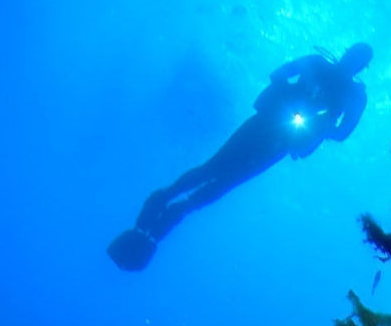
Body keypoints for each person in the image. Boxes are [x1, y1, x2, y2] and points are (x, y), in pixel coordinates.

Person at [108, 42, 373, 271]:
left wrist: (324, 127)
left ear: (363, 67)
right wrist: (292, 87)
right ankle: (160, 205)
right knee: (212, 169)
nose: (354, 61)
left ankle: (166, 222)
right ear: (347, 52)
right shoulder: (316, 63)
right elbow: (278, 73)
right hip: (267, 122)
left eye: (360, 60)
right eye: (354, 55)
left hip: (283, 141)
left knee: (224, 183)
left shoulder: (354, 95)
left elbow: (343, 132)